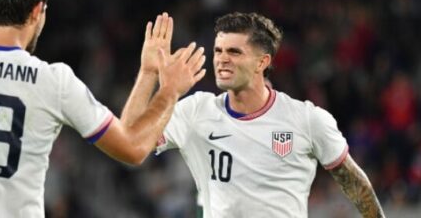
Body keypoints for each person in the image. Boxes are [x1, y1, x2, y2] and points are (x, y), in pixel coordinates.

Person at [0, 0, 206, 217]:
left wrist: (147, 73)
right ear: (37, 12)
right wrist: (170, 90)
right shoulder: (54, 81)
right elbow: (133, 148)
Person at [134, 12, 385, 217]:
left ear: (262, 62)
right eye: (218, 51)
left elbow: (356, 184)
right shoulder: (196, 111)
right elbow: (132, 138)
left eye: (234, 52)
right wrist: (148, 74)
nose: (221, 60)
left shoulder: (306, 120)